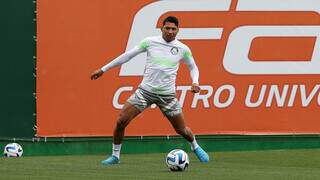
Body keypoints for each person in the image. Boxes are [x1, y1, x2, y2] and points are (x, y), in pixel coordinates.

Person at [90, 16, 209, 165]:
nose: (170, 31)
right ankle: (115, 156)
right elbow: (127, 56)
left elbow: (193, 67)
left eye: (173, 29)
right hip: (145, 92)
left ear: (178, 30)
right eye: (167, 28)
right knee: (121, 121)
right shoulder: (150, 42)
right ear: (162, 29)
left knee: (182, 129)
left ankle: (195, 146)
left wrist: (195, 82)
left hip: (168, 96)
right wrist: (103, 69)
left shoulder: (183, 49)